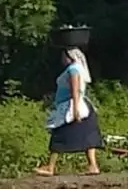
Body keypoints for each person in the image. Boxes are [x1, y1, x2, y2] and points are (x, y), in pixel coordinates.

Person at [35, 47, 103, 176]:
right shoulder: (75, 68)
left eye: (63, 56)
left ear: (69, 57)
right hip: (79, 105)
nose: (62, 59)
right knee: (88, 136)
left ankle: (50, 167)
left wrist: (75, 108)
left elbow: (75, 88)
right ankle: (93, 166)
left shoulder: (73, 69)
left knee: (59, 134)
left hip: (73, 106)